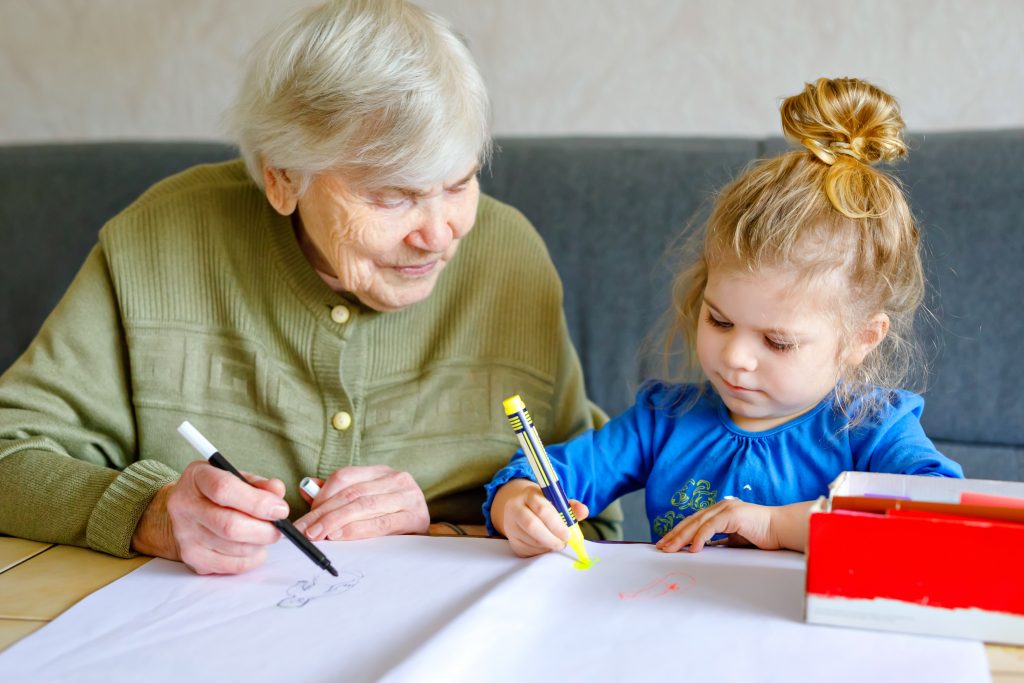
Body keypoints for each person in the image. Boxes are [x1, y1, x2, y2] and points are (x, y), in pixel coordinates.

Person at [0, 0, 621, 576]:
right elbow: (9, 455)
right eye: (392, 195)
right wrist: (150, 514)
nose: (438, 235)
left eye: (458, 184)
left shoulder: (509, 259)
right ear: (282, 179)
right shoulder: (159, 241)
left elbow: (596, 519)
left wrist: (437, 533)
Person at [484, 77, 963, 559]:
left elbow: (941, 518)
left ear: (862, 338)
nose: (735, 357)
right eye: (719, 321)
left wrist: (779, 526)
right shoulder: (663, 422)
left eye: (777, 342)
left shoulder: (874, 431)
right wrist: (519, 507)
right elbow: (543, 475)